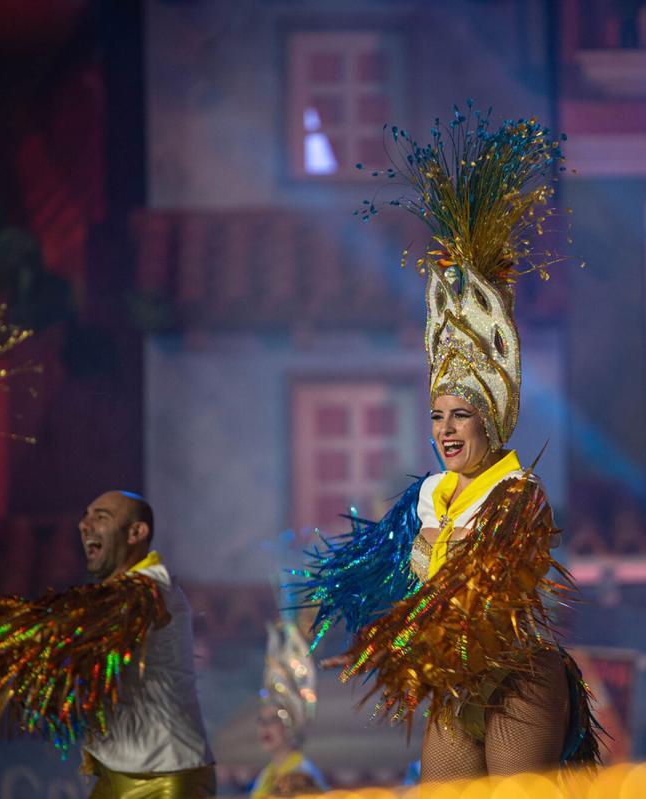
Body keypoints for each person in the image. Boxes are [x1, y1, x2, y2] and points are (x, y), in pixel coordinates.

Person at [301, 109, 600, 782]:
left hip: (518, 677)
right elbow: (386, 580)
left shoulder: (518, 496)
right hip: (456, 681)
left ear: (491, 421)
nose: (444, 430)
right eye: (436, 414)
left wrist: (399, 633)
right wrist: (362, 637)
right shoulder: (430, 494)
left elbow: (477, 584)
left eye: (460, 414)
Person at [0, 491, 215, 798]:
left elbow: (52, 630)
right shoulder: (111, 594)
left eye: (101, 516)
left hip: (167, 779)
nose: (84, 525)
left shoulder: (150, 589)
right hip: (115, 774)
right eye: (85, 516)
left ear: (136, 533)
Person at [249, 619, 327, 798]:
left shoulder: (302, 775)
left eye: (274, 719)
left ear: (291, 724)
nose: (265, 728)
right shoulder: (267, 775)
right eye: (262, 721)